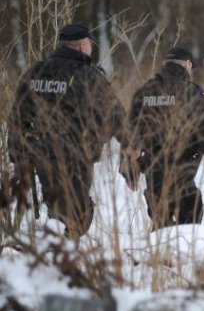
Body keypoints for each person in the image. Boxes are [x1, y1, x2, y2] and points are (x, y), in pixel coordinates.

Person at [7, 23, 128, 237]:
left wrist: (17, 155)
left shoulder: (36, 72)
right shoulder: (88, 75)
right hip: (76, 155)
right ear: (82, 47)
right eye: (89, 44)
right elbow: (116, 115)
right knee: (77, 214)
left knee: (58, 206)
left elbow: (18, 116)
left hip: (41, 154)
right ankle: (64, 255)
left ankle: (57, 251)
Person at [126, 47, 204, 229]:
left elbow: (130, 133)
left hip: (153, 172)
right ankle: (180, 255)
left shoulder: (144, 92)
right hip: (184, 170)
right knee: (189, 226)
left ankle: (159, 256)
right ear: (187, 64)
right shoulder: (191, 92)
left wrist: (129, 171)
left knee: (161, 224)